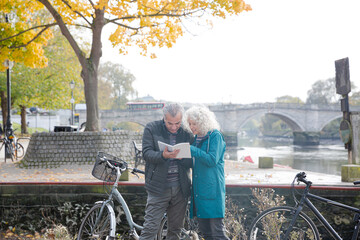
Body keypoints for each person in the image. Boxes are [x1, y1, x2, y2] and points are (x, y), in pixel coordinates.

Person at [140, 103, 194, 240]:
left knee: (175, 231)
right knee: (150, 229)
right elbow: (146, 154)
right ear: (164, 118)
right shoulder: (151, 128)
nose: (174, 127)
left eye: (177, 123)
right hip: (158, 187)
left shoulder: (187, 132)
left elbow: (193, 161)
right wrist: (163, 155)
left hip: (181, 188)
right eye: (170, 123)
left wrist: (182, 158)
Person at [184, 105, 229, 240]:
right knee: (207, 233)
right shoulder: (197, 138)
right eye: (190, 123)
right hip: (199, 192)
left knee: (218, 233)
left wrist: (192, 150)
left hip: (212, 192)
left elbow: (211, 160)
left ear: (203, 122)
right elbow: (196, 163)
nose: (191, 127)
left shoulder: (216, 136)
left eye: (195, 123)